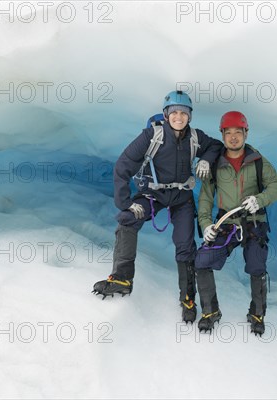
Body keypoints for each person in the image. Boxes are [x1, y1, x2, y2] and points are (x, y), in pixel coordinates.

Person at [92, 90, 223, 325]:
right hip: (154, 194)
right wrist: (127, 202)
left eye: (184, 113)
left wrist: (205, 159)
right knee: (127, 218)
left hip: (182, 197)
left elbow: (215, 146)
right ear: (166, 114)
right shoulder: (152, 135)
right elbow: (123, 166)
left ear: (190, 116)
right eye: (174, 113)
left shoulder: (196, 137)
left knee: (185, 245)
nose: (179, 117)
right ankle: (122, 279)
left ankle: (188, 299)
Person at [194, 111, 277, 336]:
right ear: (222, 135)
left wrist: (259, 200)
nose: (233, 137)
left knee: (256, 265)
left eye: (238, 132)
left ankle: (257, 313)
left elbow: (275, 187)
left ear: (246, 133)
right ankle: (210, 311)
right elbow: (205, 198)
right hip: (226, 222)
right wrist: (205, 224)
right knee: (202, 260)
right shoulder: (216, 164)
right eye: (228, 133)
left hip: (254, 222)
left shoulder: (258, 161)